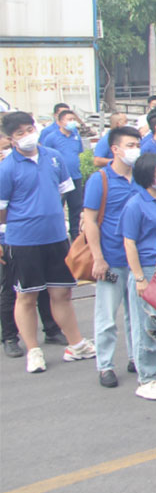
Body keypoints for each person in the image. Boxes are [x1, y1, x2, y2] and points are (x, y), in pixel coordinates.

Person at [0, 112, 97, 374]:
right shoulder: (7, 168)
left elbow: (66, 194)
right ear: (11, 139)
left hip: (56, 237)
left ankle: (76, 344)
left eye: (29, 129)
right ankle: (33, 350)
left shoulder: (54, 157)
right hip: (23, 241)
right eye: (19, 133)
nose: (27, 135)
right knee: (26, 296)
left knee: (62, 293)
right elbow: (2, 209)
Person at [82, 124, 143, 388]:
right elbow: (90, 221)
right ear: (115, 150)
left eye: (138, 145)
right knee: (107, 316)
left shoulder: (142, 178)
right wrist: (98, 258)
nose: (135, 151)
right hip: (112, 258)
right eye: (130, 146)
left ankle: (136, 358)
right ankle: (105, 365)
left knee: (137, 314)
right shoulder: (101, 179)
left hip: (139, 260)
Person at [0, 131, 65, 359]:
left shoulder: (48, 158)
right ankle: (10, 336)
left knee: (46, 286)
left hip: (45, 235)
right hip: (14, 238)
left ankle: (52, 329)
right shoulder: (7, 167)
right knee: (14, 290)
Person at [121, 153, 156, 400]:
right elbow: (129, 242)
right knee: (150, 324)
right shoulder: (136, 204)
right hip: (147, 268)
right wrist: (138, 278)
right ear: (146, 176)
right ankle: (147, 377)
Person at [41, 107, 85, 240]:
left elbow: (79, 153)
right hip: (59, 179)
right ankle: (55, 234)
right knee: (57, 207)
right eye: (68, 120)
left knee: (76, 208)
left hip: (75, 177)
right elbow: (45, 157)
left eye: (73, 119)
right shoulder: (51, 138)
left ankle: (75, 236)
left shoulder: (75, 136)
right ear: (59, 122)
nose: (72, 122)